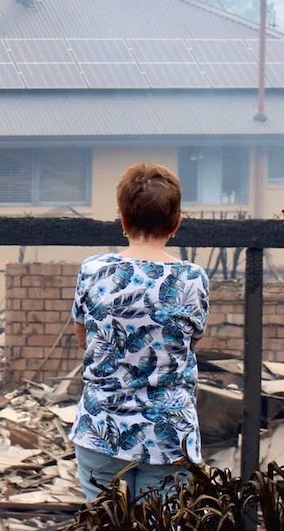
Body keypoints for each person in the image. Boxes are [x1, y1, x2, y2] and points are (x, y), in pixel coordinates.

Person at [69, 162, 210, 501]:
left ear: (122, 217)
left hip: (102, 427)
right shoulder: (192, 279)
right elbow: (190, 343)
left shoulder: (93, 271)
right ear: (176, 222)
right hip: (169, 437)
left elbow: (84, 339)